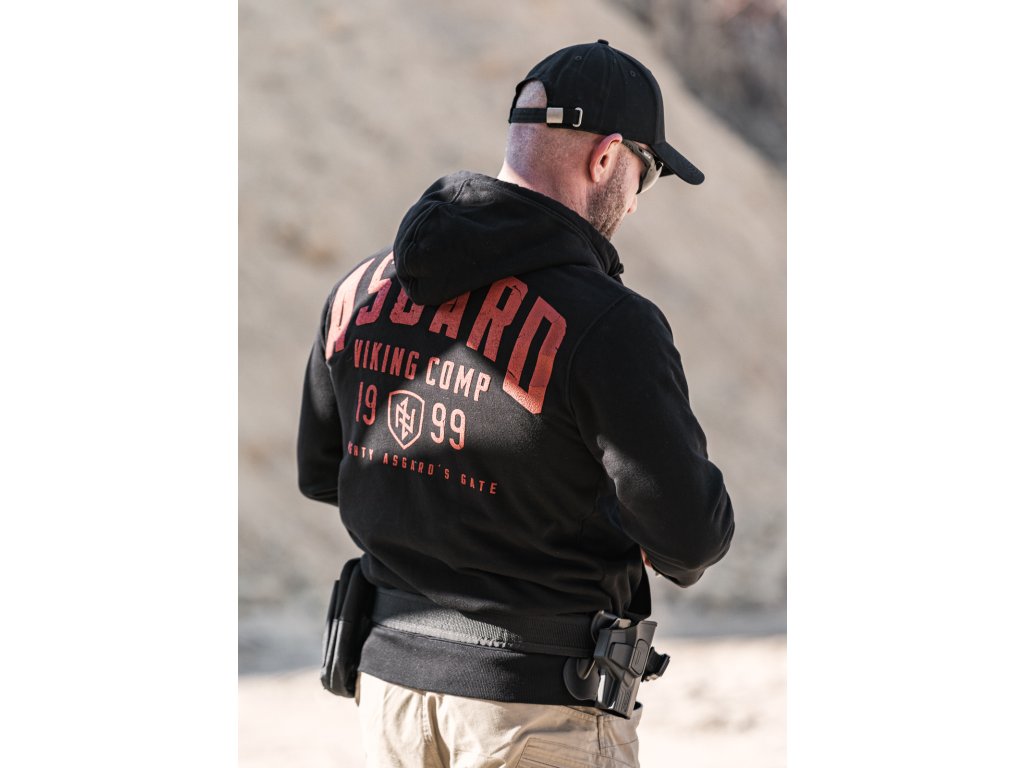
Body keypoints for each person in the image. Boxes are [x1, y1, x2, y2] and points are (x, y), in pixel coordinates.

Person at [297, 39, 735, 768]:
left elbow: (326, 470)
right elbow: (690, 535)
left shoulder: (361, 289)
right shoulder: (608, 324)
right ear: (607, 158)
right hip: (533, 710)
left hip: (390, 698)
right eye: (646, 172)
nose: (636, 199)